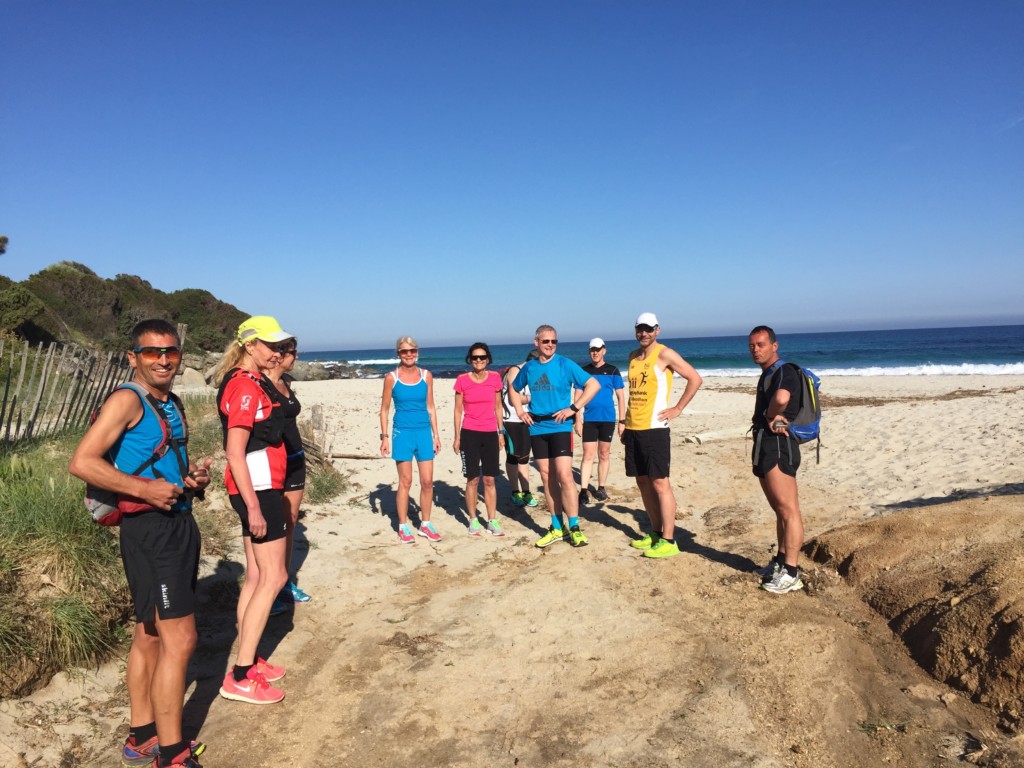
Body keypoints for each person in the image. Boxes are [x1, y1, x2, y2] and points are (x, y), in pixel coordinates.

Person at [69, 319, 211, 768]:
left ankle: (142, 736)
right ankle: (171, 754)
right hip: (151, 531)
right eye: (152, 352)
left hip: (176, 521)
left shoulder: (168, 402)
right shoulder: (128, 399)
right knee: (181, 639)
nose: (164, 359)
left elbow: (161, 465)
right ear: (134, 357)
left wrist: (189, 481)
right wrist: (144, 489)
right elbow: (82, 461)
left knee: (150, 634)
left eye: (170, 351)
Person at [214, 316, 294, 705]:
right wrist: (254, 507)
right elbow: (234, 451)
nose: (277, 352)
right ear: (249, 345)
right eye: (270, 345)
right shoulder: (245, 388)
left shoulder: (248, 380)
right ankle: (242, 674)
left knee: (256, 576)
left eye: (281, 346)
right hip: (257, 489)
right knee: (274, 576)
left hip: (259, 488)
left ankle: (249, 656)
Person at [509, 325, 600, 548]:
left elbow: (593, 385)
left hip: (560, 426)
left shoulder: (564, 364)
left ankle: (575, 526)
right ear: (536, 342)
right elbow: (512, 388)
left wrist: (574, 408)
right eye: (546, 341)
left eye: (553, 341)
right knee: (547, 477)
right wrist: (520, 411)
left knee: (565, 475)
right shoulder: (529, 367)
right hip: (537, 428)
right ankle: (557, 527)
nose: (550, 345)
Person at [623, 313, 702, 559]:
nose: (643, 333)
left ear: (657, 330)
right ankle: (656, 533)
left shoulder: (665, 354)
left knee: (660, 483)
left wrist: (677, 408)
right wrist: (624, 423)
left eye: (648, 329)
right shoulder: (633, 357)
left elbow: (695, 378)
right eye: (640, 329)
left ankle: (669, 539)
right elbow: (633, 393)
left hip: (655, 430)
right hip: (634, 427)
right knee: (643, 482)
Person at [749, 325, 806, 594]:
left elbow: (782, 398)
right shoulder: (769, 373)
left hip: (779, 444)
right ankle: (781, 562)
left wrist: (772, 415)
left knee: (788, 509)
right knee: (779, 509)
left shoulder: (784, 371)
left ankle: (792, 573)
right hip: (767, 443)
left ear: (775, 345)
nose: (756, 350)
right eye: (752, 346)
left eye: (761, 344)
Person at [379, 336, 442, 543]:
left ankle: (425, 524)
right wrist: (385, 437)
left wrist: (436, 435)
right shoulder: (391, 378)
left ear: (417, 352)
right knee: (405, 481)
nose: (409, 355)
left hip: (423, 433)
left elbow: (431, 407)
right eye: (404, 351)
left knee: (427, 481)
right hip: (402, 433)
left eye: (412, 351)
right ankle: (403, 525)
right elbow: (384, 409)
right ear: (398, 354)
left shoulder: (427, 375)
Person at [266, 339, 312, 615]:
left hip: (296, 459)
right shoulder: (260, 384)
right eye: (292, 352)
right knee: (275, 526)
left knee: (291, 521)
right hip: (274, 463)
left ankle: (283, 581)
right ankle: (269, 587)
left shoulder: (286, 382)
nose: (295, 356)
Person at [453, 342, 506, 536]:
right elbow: (458, 410)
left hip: (491, 433)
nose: (478, 360)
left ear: (488, 359)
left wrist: (501, 432)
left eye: (482, 357)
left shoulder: (495, 379)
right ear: (470, 359)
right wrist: (457, 437)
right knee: (472, 479)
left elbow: (499, 407)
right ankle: (473, 519)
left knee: (490, 480)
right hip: (469, 433)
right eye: (475, 357)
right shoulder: (461, 380)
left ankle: (492, 520)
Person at [574, 338, 625, 505]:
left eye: (598, 349)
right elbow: (578, 396)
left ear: (604, 350)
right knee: (588, 455)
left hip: (608, 419)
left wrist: (622, 421)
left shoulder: (613, 370)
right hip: (589, 420)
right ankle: (583, 490)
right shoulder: (583, 371)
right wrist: (577, 419)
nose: (595, 352)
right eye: (592, 350)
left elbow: (620, 397)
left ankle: (601, 487)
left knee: (604, 454)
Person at [502, 350, 539, 508]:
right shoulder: (515, 371)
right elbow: (514, 397)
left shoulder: (537, 372)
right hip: (511, 420)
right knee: (513, 455)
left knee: (524, 456)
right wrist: (535, 397)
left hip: (527, 419)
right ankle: (515, 491)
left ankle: (526, 491)